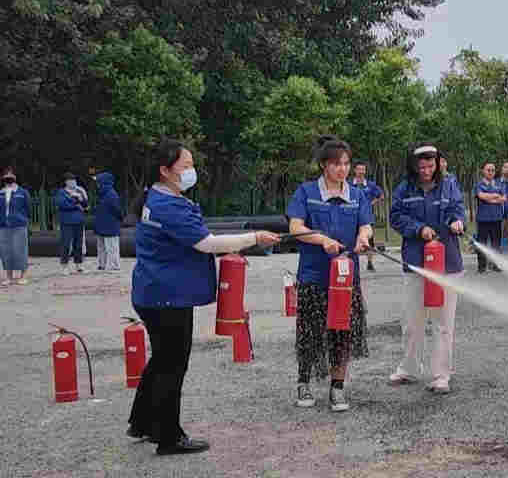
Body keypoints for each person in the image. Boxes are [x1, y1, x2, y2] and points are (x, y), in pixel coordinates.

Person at [128, 140, 280, 455]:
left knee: (160, 360)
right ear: (165, 171)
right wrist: (254, 238)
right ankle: (169, 437)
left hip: (154, 292)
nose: (191, 171)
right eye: (185, 166)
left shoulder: (157, 198)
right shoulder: (168, 207)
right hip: (167, 297)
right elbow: (207, 243)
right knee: (172, 365)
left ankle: (142, 422)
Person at [287, 137, 373, 412]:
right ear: (324, 165)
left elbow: (366, 226)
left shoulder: (357, 194)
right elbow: (295, 227)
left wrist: (363, 238)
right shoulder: (307, 192)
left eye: (346, 164)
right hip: (315, 275)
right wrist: (321, 240)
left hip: (347, 279)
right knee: (310, 331)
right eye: (337, 164)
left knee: (342, 331)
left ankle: (337, 387)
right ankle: (304, 382)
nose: (343, 169)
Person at [389, 144, 466, 394]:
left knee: (443, 322)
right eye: (421, 167)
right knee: (412, 320)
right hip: (415, 262)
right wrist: (418, 229)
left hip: (448, 262)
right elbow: (396, 217)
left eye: (430, 166)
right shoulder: (404, 188)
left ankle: (441, 374)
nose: (426, 171)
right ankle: (409, 368)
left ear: (438, 163)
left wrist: (456, 221)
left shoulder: (449, 184)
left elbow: (457, 208)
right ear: (413, 166)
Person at [0, 167, 31, 285]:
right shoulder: (1, 193)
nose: (8, 177)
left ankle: (23, 275)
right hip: (3, 226)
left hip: (19, 225)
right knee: (6, 251)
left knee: (20, 250)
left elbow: (28, 209)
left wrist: (23, 220)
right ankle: (8, 276)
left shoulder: (22, 192)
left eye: (10, 175)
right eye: (6, 175)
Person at [350, 161, 383, 271]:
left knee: (369, 241)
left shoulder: (371, 185)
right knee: (351, 240)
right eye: (359, 169)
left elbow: (380, 195)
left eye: (363, 170)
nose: (361, 172)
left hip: (367, 217)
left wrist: (371, 203)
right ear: (354, 170)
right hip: (351, 217)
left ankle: (370, 262)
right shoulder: (348, 184)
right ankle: (352, 263)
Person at [54, 172, 89, 274]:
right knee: (66, 244)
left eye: (74, 180)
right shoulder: (61, 192)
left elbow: (86, 205)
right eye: (70, 180)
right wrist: (76, 203)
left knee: (78, 244)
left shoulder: (80, 190)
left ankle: (79, 265)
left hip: (79, 221)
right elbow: (62, 204)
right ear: (66, 182)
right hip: (66, 222)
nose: (73, 182)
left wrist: (79, 200)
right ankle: (64, 266)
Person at [473, 162, 505, 273]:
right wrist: (496, 196)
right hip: (483, 219)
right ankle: (482, 266)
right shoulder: (479, 184)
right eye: (488, 170)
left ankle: (494, 265)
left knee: (496, 243)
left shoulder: (499, 184)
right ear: (483, 171)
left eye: (493, 170)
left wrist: (489, 198)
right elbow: (481, 196)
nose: (491, 172)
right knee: (482, 243)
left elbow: (504, 199)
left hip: (497, 218)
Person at [93, 171, 124, 271]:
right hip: (105, 225)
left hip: (108, 225)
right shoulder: (106, 193)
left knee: (110, 246)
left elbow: (116, 210)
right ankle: (103, 264)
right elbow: (118, 210)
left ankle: (113, 266)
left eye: (98, 182)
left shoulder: (110, 194)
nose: (97, 184)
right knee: (104, 246)